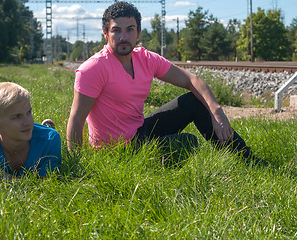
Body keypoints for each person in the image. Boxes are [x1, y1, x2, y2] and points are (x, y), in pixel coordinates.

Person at [67, 1, 264, 165]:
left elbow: (191, 80)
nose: (123, 37)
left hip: (139, 130)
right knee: (187, 142)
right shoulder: (93, 69)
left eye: (130, 30)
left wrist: (217, 113)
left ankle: (247, 160)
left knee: (193, 101)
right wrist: (77, 165)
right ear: (105, 33)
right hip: (117, 151)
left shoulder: (145, 58)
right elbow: (76, 120)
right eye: (116, 31)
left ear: (138, 32)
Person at [0, 82, 62, 178]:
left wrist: (3, 177)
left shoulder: (50, 139)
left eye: (29, 112)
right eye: (17, 117)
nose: (28, 122)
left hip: (43, 136)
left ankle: (46, 127)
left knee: (46, 133)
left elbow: (47, 181)